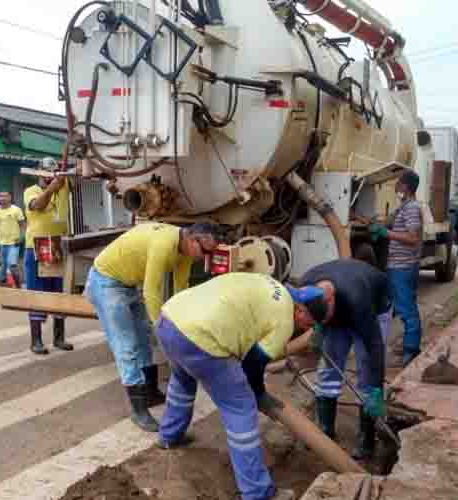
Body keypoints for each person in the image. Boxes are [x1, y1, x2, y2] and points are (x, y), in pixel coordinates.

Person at [155, 272, 327, 500]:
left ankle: (169, 436)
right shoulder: (284, 321)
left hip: (170, 319)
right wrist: (258, 394)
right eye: (309, 323)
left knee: (183, 377)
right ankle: (258, 493)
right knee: (241, 407)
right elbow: (253, 363)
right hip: (201, 338)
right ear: (300, 310)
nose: (306, 328)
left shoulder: (270, 283)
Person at [84, 222, 220, 432]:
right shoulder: (164, 244)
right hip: (106, 282)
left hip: (128, 283)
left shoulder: (184, 252)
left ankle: (150, 391)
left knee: (144, 339)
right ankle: (138, 411)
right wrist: (163, 329)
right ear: (192, 238)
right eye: (203, 250)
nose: (204, 257)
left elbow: (181, 289)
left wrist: (183, 324)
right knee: (127, 346)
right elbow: (151, 292)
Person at [293, 258, 390, 461]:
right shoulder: (306, 287)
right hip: (341, 311)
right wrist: (320, 328)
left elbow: (375, 347)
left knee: (367, 369)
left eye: (325, 319)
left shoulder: (357, 299)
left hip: (375, 308)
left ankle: (366, 438)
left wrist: (376, 390)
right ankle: (325, 429)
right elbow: (316, 318)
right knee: (329, 366)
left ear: (331, 301)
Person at [370, 169, 423, 367]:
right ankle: (408, 347)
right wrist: (372, 223)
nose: (395, 186)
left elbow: (412, 238)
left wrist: (386, 233)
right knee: (394, 307)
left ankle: (411, 350)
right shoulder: (404, 206)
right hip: (397, 266)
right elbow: (387, 223)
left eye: (398, 183)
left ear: (406, 187)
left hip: (403, 267)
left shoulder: (411, 208)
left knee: (406, 308)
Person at [23, 175, 72, 355]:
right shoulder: (31, 191)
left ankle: (59, 338)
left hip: (57, 244)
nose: (50, 178)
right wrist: (51, 188)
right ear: (38, 175)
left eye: (53, 175)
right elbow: (38, 205)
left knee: (58, 292)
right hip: (38, 245)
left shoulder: (63, 186)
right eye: (46, 176)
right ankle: (36, 340)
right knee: (37, 292)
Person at [0, 191, 25, 285]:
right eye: (1, 196)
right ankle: (5, 285)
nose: (3, 198)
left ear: (10, 197)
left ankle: (19, 285)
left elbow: (22, 225)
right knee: (1, 269)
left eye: (5, 196)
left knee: (12, 265)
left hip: (13, 243)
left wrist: (21, 237)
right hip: (0, 244)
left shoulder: (16, 210)